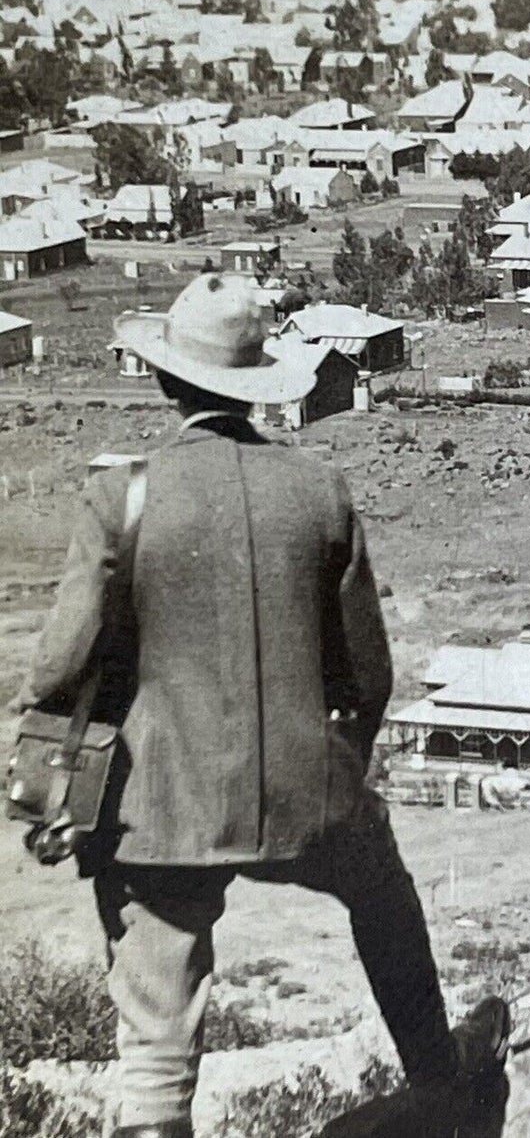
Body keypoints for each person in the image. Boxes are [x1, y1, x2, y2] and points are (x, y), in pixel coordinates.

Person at [19, 274, 471, 1138]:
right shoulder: (319, 489)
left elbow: (57, 664)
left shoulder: (124, 493)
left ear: (164, 378)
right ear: (258, 382)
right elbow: (365, 676)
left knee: (156, 1014)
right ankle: (439, 1081)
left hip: (160, 805)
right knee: (382, 893)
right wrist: (340, 771)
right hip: (308, 792)